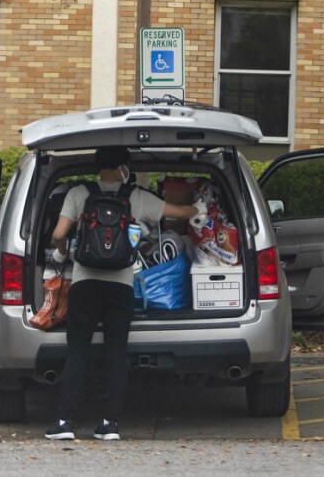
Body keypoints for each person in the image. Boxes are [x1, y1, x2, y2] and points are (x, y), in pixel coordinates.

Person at [46, 146, 203, 441]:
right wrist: (200, 210)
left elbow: (58, 234)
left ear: (97, 165)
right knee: (116, 353)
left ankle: (65, 422)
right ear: (123, 167)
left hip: (85, 284)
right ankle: (110, 424)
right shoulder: (136, 197)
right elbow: (178, 212)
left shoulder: (79, 194)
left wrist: (62, 253)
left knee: (77, 351)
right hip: (121, 286)